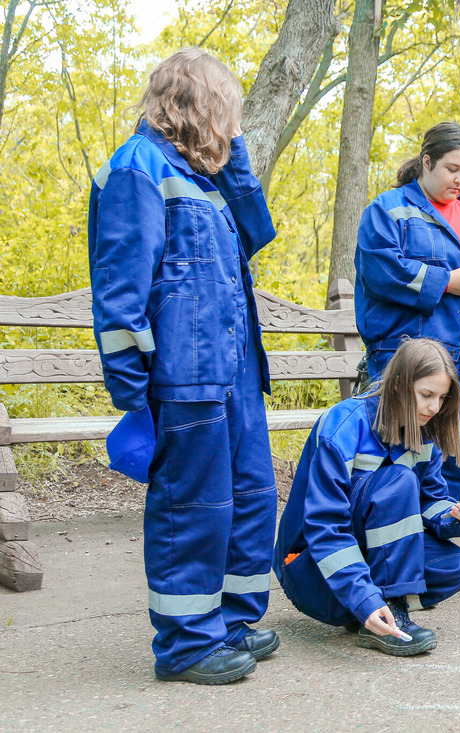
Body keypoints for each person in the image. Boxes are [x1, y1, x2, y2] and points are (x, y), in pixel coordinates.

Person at [88, 48, 279, 685]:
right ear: (199, 103)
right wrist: (134, 396)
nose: (234, 124)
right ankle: (185, 642)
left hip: (235, 372)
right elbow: (121, 290)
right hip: (185, 376)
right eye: (229, 110)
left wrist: (238, 155)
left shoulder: (204, 178)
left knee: (250, 497)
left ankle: (229, 621)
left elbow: (257, 232)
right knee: (193, 508)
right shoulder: (136, 168)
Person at [273, 339, 460, 656]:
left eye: (441, 398)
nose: (434, 407)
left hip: (359, 566)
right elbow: (324, 526)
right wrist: (363, 596)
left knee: (459, 567)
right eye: (426, 395)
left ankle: (375, 616)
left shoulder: (421, 432)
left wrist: (457, 517)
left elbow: (431, 500)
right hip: (311, 572)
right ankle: (387, 607)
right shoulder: (344, 425)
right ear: (399, 385)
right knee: (399, 481)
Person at [355, 122, 460, 502]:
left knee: (455, 448)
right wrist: (447, 282)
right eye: (452, 169)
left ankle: (442, 528)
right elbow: (381, 271)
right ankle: (392, 531)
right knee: (403, 446)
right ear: (426, 162)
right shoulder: (389, 209)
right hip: (411, 354)